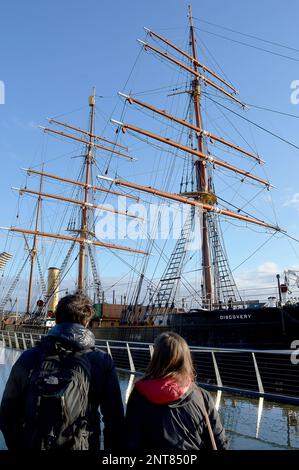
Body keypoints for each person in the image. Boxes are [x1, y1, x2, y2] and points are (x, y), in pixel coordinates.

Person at [0, 293, 124, 450]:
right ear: (86, 322)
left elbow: (7, 414)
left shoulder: (29, 358)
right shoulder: (101, 361)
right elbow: (115, 419)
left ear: (57, 320)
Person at [125, 332, 228, 450]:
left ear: (156, 358)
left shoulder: (139, 395)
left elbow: (130, 441)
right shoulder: (202, 396)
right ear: (186, 360)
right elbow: (220, 443)